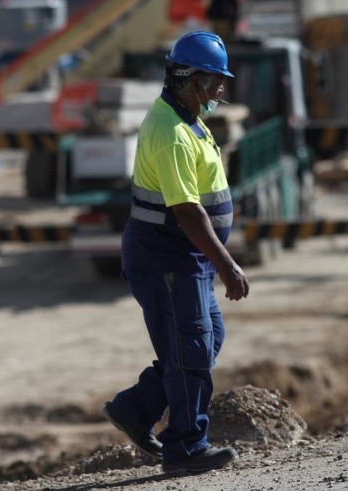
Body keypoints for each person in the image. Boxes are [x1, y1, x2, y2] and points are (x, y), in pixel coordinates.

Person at [102, 31, 250, 475]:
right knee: (191, 351)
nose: (222, 89)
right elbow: (187, 211)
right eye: (216, 80)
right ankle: (185, 448)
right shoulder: (170, 131)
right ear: (192, 80)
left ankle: (135, 409)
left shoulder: (188, 119)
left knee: (204, 342)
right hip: (167, 257)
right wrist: (227, 263)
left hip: (186, 259)